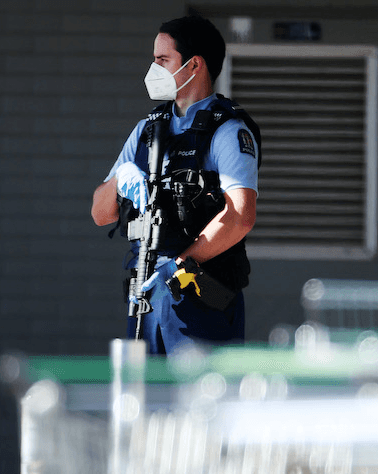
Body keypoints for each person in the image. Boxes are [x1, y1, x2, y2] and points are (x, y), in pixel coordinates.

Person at [91, 15, 260, 355]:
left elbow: (240, 216)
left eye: (162, 60)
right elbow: (101, 212)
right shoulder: (148, 130)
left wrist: (178, 264)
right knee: (145, 401)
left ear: (194, 65)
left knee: (201, 399)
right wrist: (122, 176)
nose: (153, 69)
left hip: (199, 292)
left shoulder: (227, 131)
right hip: (148, 294)